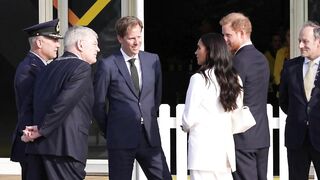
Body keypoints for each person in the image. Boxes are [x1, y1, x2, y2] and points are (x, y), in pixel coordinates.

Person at [93, 16, 172, 180]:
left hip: (149, 137)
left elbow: (155, 97)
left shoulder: (153, 60)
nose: (137, 42)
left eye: (139, 37)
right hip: (120, 138)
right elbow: (98, 104)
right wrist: (111, 130)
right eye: (131, 38)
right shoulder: (107, 64)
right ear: (120, 38)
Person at [21, 26, 100, 180]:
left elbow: (29, 103)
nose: (98, 48)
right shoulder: (82, 68)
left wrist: (32, 131)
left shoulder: (46, 68)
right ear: (81, 45)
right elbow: (64, 103)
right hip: (65, 150)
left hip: (37, 149)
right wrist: (41, 129)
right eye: (95, 44)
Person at [182, 33, 243, 180]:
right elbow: (237, 115)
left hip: (202, 154)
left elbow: (188, 119)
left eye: (199, 48)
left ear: (210, 51)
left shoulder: (198, 79)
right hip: (224, 153)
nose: (196, 52)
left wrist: (184, 126)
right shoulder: (234, 79)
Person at [219, 12, 270, 180]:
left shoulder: (237, 61)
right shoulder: (262, 58)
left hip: (242, 137)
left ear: (241, 32)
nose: (224, 40)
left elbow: (230, 99)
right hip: (261, 136)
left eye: (228, 35)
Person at [10, 19, 62, 180]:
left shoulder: (41, 67)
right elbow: (31, 110)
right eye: (53, 39)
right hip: (32, 145)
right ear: (39, 42)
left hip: (38, 145)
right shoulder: (29, 69)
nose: (58, 45)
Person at [279, 21, 320, 180]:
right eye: (299, 41)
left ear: (318, 42)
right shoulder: (290, 67)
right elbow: (284, 101)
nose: (301, 45)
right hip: (297, 138)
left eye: (305, 41)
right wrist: (300, 117)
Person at [273, 28, 290, 96]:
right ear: (285, 37)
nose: (291, 38)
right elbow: (276, 75)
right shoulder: (281, 52)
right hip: (284, 89)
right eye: (288, 35)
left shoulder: (303, 51)